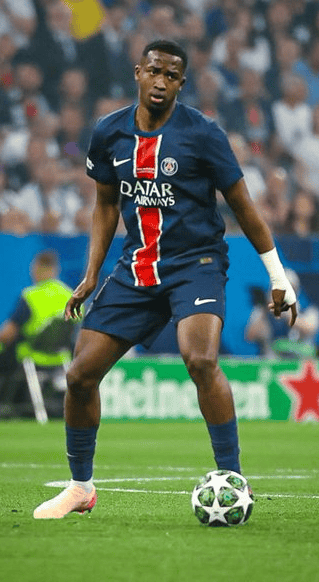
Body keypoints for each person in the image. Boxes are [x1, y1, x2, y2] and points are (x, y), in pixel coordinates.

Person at [33, 39, 298, 519]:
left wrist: (278, 276)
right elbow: (105, 206)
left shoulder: (203, 134)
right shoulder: (109, 132)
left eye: (171, 76)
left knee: (200, 359)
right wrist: (91, 274)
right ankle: (80, 488)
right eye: (154, 71)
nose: (161, 82)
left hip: (196, 264)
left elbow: (244, 207)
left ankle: (232, 479)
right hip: (136, 269)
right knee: (79, 376)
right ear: (138, 73)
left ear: (181, 84)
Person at [0, 250, 78, 419]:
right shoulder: (70, 295)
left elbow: (6, 335)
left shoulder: (31, 296)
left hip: (29, 357)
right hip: (61, 358)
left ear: (37, 269)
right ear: (56, 269)